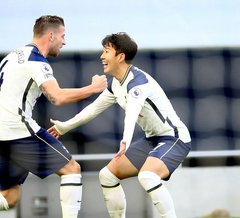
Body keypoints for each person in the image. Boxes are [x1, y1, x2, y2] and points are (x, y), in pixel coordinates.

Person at [0, 15, 107, 218]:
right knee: (72, 168)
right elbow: (57, 97)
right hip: (17, 131)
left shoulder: (13, 55)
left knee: (9, 196)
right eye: (63, 36)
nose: (65, 41)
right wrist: (93, 88)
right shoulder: (37, 62)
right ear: (51, 36)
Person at [48, 32, 191, 218]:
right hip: (152, 140)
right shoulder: (116, 84)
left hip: (175, 138)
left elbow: (132, 113)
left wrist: (125, 140)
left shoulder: (138, 83)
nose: (102, 56)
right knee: (107, 176)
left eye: (106, 51)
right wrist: (64, 126)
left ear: (120, 56)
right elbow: (93, 109)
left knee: (147, 177)